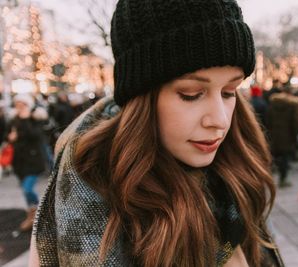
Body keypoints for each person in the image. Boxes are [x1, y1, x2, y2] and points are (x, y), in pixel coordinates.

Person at [30, 1, 284, 266]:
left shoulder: (238, 168)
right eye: (191, 95)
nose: (219, 120)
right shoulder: (88, 186)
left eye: (230, 92)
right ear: (142, 98)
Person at [7, 94, 47, 231]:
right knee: (25, 190)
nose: (19, 107)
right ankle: (32, 213)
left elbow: (36, 135)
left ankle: (36, 211)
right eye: (17, 104)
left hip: (33, 160)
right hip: (19, 161)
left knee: (27, 188)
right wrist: (10, 137)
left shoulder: (35, 117)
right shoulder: (14, 120)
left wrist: (25, 119)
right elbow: (7, 135)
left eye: (22, 104)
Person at [266, 87, 298, 187]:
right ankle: (283, 179)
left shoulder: (272, 104)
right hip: (287, 137)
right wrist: (295, 137)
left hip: (274, 136)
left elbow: (268, 121)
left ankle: (269, 176)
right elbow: (295, 124)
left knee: (274, 156)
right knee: (285, 158)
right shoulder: (292, 106)